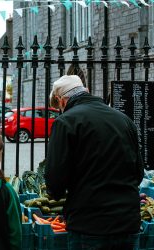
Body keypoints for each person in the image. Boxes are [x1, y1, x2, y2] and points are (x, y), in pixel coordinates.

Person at [45, 75, 144, 249]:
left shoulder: (66, 122)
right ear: (87, 91)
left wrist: (57, 193)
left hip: (89, 224)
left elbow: (55, 180)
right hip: (128, 221)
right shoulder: (124, 120)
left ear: (61, 101)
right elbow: (138, 173)